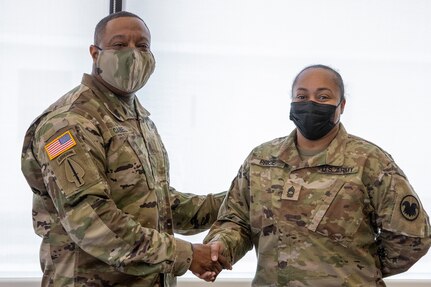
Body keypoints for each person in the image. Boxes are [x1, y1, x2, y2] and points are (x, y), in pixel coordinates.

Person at [21, 11, 230, 287]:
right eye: (120, 45)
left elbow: (157, 205)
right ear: (95, 53)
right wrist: (186, 255)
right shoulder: (70, 122)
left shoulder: (136, 118)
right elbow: (93, 223)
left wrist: (235, 201)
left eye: (142, 46)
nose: (133, 54)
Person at [203, 64, 431, 286]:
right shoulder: (261, 159)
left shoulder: (369, 161)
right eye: (302, 96)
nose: (310, 103)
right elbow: (236, 220)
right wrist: (221, 245)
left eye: (323, 97)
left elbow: (412, 238)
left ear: (341, 105)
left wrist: (361, 267)